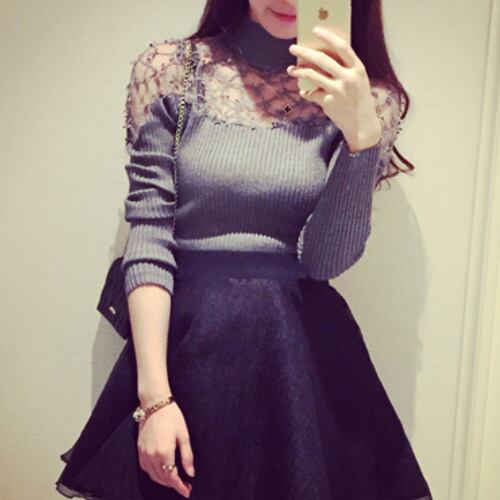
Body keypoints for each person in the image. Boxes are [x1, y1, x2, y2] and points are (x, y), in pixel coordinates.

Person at [55, 1, 433, 499]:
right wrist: (155, 401)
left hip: (299, 363)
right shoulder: (172, 71)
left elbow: (325, 262)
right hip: (185, 351)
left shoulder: (369, 99)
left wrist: (361, 138)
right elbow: (149, 236)